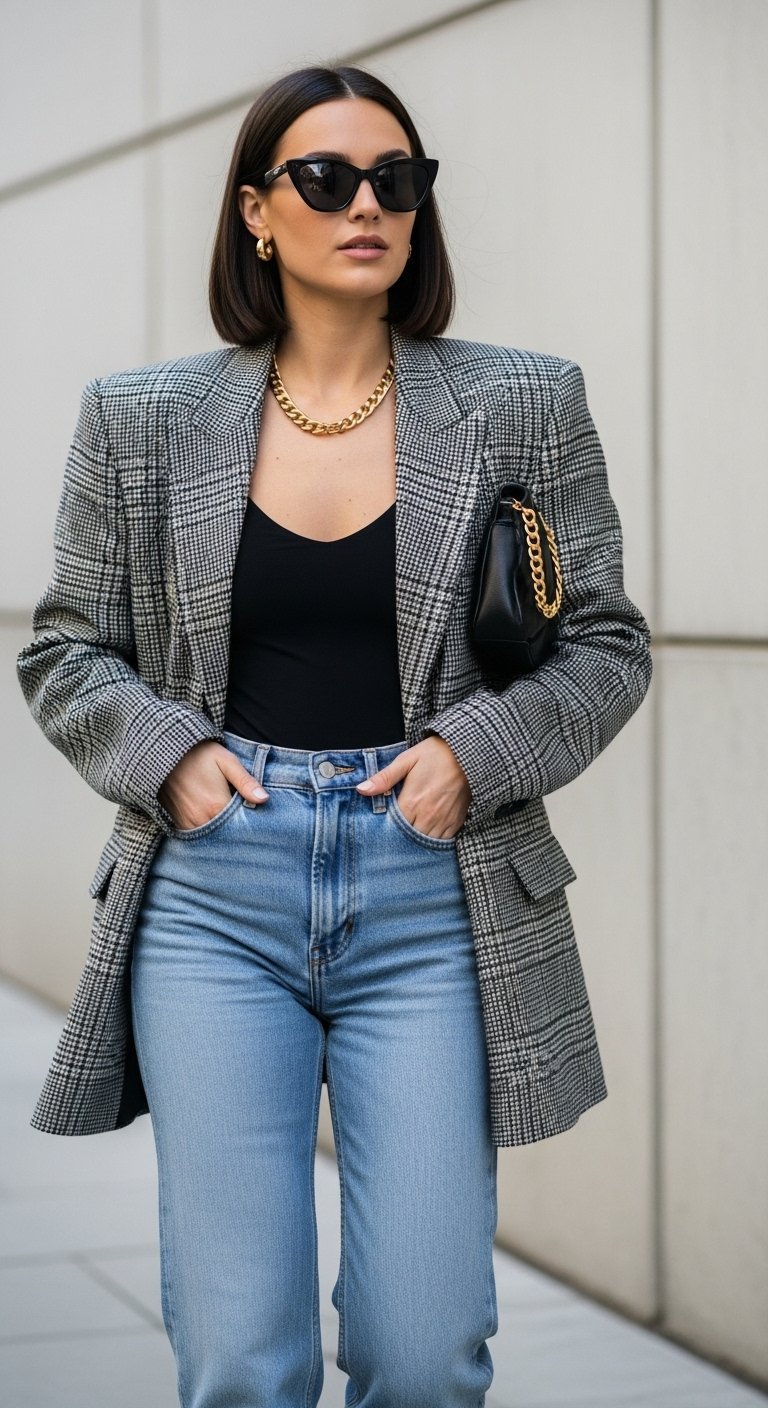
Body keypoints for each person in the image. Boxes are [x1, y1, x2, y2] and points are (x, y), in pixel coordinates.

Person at [16, 63, 652, 1408]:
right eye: (325, 178)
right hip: (215, 897)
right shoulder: (142, 420)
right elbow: (65, 648)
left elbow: (607, 643)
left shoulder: (523, 404)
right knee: (243, 1359)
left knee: (424, 1355)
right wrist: (173, 759)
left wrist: (476, 754)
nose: (366, 203)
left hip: (435, 890)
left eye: (397, 180)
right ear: (259, 210)